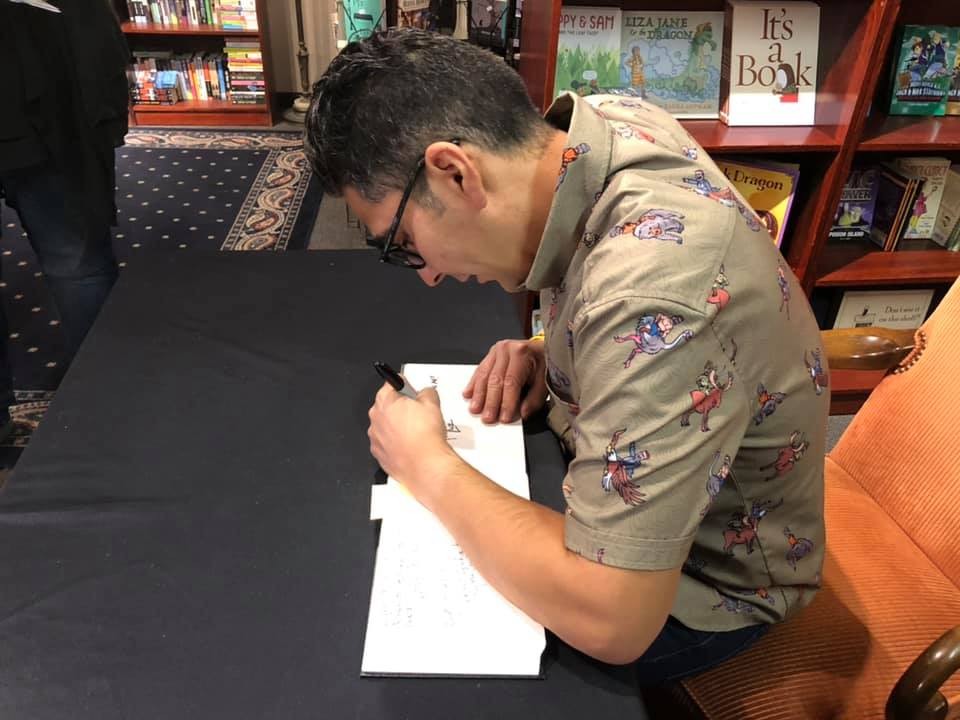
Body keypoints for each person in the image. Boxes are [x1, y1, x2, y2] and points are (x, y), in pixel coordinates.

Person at [305, 29, 827, 684]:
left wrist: (428, 466)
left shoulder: (653, 297)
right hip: (642, 483)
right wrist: (549, 349)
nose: (428, 276)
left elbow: (612, 621)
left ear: (456, 172)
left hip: (710, 587)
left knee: (406, 653)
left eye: (403, 243)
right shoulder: (599, 129)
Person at [0, 0, 128, 443]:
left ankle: (111, 398)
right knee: (76, 259)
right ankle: (112, 403)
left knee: (75, 258)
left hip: (45, 56)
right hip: (47, 55)